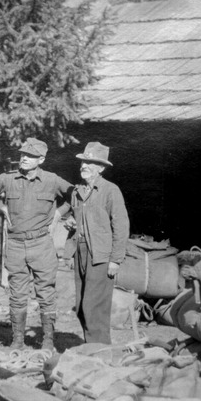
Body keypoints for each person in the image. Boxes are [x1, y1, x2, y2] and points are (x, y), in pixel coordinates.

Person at [0, 138, 72, 350]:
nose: (24, 158)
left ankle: (48, 340)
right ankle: (18, 340)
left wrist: (58, 213)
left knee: (46, 293)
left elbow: (75, 196)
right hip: (16, 245)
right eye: (22, 154)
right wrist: (0, 208)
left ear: (41, 159)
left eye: (30, 156)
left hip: (41, 244)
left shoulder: (52, 180)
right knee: (17, 294)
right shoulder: (7, 179)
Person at [64, 142, 129, 345]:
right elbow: (78, 221)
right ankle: (91, 347)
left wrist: (115, 260)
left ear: (100, 168)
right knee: (82, 304)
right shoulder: (78, 191)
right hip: (80, 252)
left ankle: (100, 351)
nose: (84, 166)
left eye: (90, 163)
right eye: (83, 161)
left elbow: (121, 226)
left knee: (94, 305)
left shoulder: (111, 191)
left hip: (100, 255)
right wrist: (71, 225)